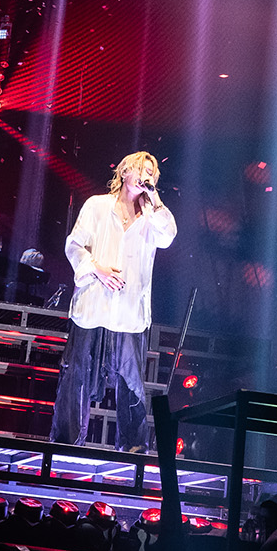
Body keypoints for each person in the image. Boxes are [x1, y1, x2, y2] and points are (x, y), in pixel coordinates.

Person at [51, 151, 177, 451]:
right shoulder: (97, 206)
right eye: (140, 169)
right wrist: (97, 269)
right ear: (124, 172)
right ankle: (66, 443)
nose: (145, 176)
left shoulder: (152, 217)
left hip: (129, 313)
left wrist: (155, 200)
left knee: (131, 382)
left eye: (151, 173)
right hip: (93, 306)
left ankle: (133, 448)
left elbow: (168, 236)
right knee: (77, 375)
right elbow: (74, 245)